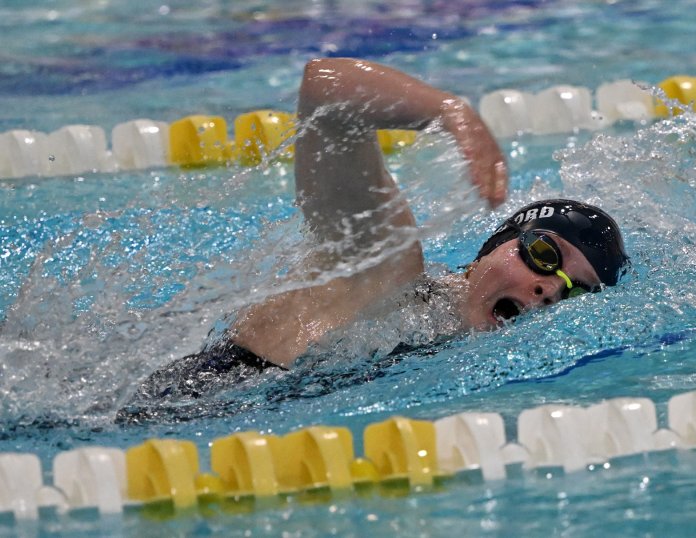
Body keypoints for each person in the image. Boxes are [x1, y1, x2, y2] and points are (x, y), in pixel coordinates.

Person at [130, 58, 629, 403]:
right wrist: (451, 112)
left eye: (574, 292)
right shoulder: (387, 271)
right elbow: (325, 86)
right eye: (543, 254)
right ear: (489, 250)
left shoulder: (451, 341)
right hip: (178, 411)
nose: (548, 289)